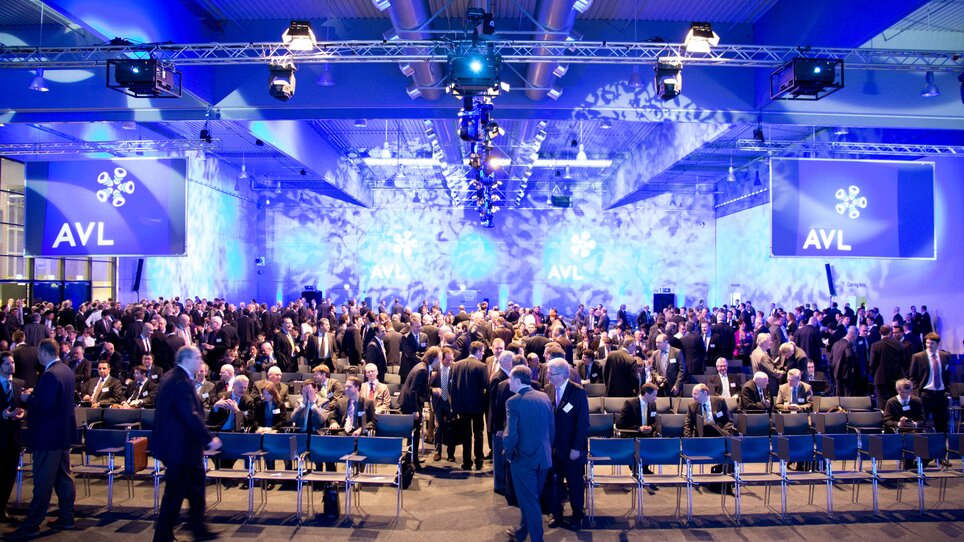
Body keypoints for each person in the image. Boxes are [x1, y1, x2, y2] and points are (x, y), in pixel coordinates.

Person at [153, 346, 222, 542]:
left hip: (180, 447)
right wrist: (209, 439)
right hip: (181, 447)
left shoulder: (171, 376)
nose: (201, 362)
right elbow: (189, 414)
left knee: (194, 489)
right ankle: (163, 535)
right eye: (198, 358)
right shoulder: (180, 381)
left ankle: (198, 529)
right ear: (187, 359)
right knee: (175, 494)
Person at [11, 339, 77, 539]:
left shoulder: (50, 375)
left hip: (47, 436)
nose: (37, 357)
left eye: (39, 353)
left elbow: (44, 405)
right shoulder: (66, 370)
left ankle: (32, 523)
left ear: (45, 353)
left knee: (42, 480)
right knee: (63, 478)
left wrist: (26, 398)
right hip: (62, 434)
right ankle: (66, 516)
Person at [502, 365, 554, 542]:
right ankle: (521, 532)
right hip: (544, 457)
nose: (508, 382)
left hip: (523, 460)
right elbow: (551, 429)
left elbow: (510, 435)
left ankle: (537, 539)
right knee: (530, 498)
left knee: (530, 501)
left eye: (510, 379)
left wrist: (509, 454)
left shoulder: (513, 402)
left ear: (517, 380)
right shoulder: (544, 397)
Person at [544, 359, 589, 531]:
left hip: (571, 449)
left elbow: (583, 423)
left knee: (575, 483)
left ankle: (578, 514)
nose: (547, 376)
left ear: (563, 374)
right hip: (552, 447)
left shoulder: (577, 392)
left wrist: (576, 448)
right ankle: (557, 514)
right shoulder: (547, 389)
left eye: (551, 373)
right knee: (553, 483)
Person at [908, 332, 951, 433]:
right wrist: (917, 393)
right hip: (925, 394)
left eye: (931, 343)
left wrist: (947, 391)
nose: (928, 345)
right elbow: (913, 376)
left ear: (937, 344)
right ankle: (919, 445)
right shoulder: (918, 357)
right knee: (921, 422)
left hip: (941, 394)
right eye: (927, 343)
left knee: (942, 424)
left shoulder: (945, 356)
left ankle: (942, 446)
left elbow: (948, 375)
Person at [0, 351, 25, 523]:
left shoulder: (19, 384)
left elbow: (25, 406)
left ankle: (2, 508)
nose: (12, 366)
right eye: (8, 363)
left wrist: (23, 414)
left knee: (9, 475)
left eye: (13, 362)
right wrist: (4, 414)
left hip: (14, 439)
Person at [869, 325, 905, 410]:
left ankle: (885, 420)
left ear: (880, 332)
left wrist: (873, 374)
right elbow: (904, 361)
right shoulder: (899, 344)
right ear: (890, 332)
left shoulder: (876, 345)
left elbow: (872, 363)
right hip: (896, 377)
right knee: (895, 400)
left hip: (881, 378)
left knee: (882, 401)